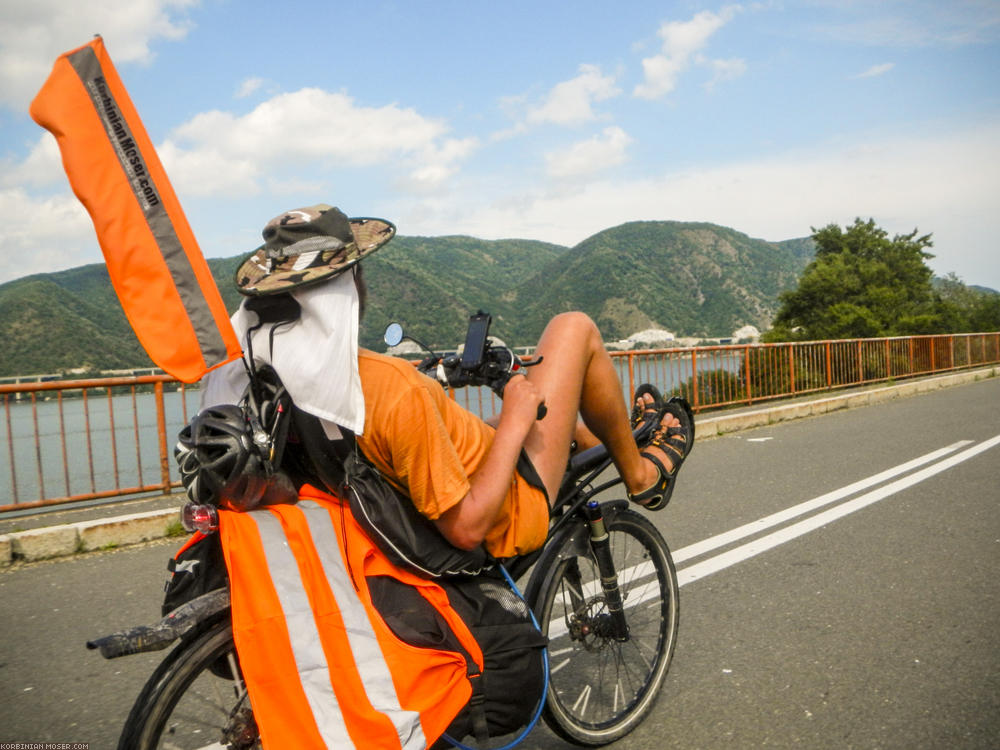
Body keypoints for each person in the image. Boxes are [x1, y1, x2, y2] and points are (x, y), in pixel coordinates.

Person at [216, 203, 691, 559]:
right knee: (573, 327)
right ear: (349, 285)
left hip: (398, 513)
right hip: (508, 507)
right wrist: (515, 421)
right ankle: (642, 475)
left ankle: (612, 437)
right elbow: (467, 529)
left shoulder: (270, 382)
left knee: (514, 410)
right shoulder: (392, 388)